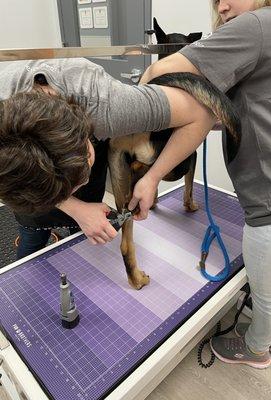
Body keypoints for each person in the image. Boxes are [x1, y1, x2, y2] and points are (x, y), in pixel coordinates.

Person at [127, 0, 271, 368]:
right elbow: (265, 105)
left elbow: (163, 68)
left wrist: (135, 110)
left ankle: (254, 349)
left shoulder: (255, 25)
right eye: (216, 0)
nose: (221, 7)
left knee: (268, 297)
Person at [0, 58, 216, 257]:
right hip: (29, 197)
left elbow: (204, 113)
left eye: (82, 174)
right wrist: (76, 208)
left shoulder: (107, 104)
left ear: (86, 130)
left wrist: (153, 177)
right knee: (31, 242)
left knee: (82, 247)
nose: (83, 182)